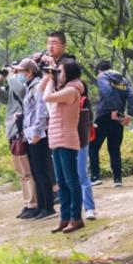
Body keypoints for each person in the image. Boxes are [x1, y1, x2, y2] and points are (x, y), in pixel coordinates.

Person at [41, 61, 87, 233]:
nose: (57, 74)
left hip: (67, 140)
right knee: (61, 181)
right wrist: (50, 78)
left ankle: (76, 217)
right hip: (57, 140)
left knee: (71, 181)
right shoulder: (63, 89)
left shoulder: (72, 90)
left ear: (69, 73)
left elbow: (47, 97)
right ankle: (65, 217)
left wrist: (50, 79)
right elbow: (41, 91)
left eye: (59, 72)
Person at [0, 66, 39, 218]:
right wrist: (0, 78)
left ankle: (33, 203)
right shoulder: (12, 90)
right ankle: (28, 202)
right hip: (13, 133)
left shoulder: (28, 87)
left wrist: (11, 76)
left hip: (22, 133)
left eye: (18, 72)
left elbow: (21, 91)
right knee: (21, 172)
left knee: (27, 171)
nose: (15, 74)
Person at [15, 58, 56, 220]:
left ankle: (48, 207)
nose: (18, 74)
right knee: (35, 172)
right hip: (30, 134)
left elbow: (41, 111)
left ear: (30, 72)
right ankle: (41, 206)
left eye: (21, 71)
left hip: (38, 135)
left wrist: (38, 132)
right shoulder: (29, 87)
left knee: (41, 171)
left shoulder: (38, 86)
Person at [90, 60, 133, 187]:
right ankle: (117, 179)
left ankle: (95, 176)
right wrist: (130, 114)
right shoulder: (122, 80)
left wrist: (114, 109)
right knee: (114, 148)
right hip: (119, 118)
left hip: (104, 115)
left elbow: (108, 92)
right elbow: (132, 96)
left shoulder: (102, 76)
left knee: (93, 146)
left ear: (99, 71)